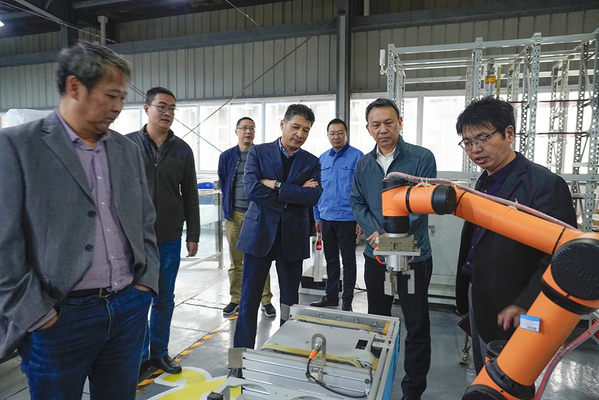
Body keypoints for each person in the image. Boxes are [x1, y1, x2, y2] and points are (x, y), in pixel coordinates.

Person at [0, 41, 159, 399]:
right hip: (59, 318)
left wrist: (145, 285)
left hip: (127, 308)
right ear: (75, 87)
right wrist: (37, 314)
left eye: (122, 98)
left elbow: (145, 221)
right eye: (111, 95)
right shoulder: (17, 147)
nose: (118, 107)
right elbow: (3, 246)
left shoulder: (126, 150)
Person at [454, 96, 576, 373]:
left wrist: (525, 303)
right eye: (468, 142)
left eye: (483, 138)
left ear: (509, 133)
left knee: (510, 379)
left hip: (514, 304)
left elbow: (560, 255)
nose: (475, 149)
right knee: (485, 369)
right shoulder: (484, 181)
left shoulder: (544, 185)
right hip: (480, 293)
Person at [350, 98, 436, 400]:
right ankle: (376, 382)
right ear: (368, 128)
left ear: (400, 122)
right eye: (376, 125)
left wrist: (390, 235)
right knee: (377, 322)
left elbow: (423, 204)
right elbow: (357, 201)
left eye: (388, 122)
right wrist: (376, 234)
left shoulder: (422, 158)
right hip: (376, 256)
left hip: (414, 257)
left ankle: (412, 391)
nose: (383, 129)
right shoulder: (363, 164)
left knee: (416, 325)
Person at [233, 104, 322, 351]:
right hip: (259, 234)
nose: (300, 134)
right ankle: (240, 357)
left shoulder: (312, 161)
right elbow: (252, 190)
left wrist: (277, 185)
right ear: (282, 124)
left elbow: (313, 197)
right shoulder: (258, 152)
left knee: (290, 303)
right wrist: (296, 193)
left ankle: (286, 352)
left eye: (306, 130)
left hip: (293, 237)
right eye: (295, 127)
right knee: (248, 301)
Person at [127, 87, 200, 375]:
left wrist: (193, 234)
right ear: (147, 109)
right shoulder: (127, 144)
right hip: (135, 239)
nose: (167, 113)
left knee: (164, 298)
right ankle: (139, 356)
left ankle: (159, 353)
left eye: (172, 108)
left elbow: (190, 194)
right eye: (162, 107)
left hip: (169, 237)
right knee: (137, 300)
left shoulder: (182, 150)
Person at [218, 117, 276, 318]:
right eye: (244, 128)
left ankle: (265, 300)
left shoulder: (262, 155)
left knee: (261, 259)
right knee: (236, 262)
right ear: (236, 131)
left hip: (257, 216)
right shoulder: (226, 156)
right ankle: (236, 299)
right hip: (233, 215)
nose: (248, 131)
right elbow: (224, 182)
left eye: (252, 128)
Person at [310, 118, 363, 312]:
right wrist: (317, 216)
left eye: (340, 133)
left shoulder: (358, 157)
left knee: (348, 261)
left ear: (346, 134)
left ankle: (347, 300)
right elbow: (317, 189)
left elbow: (363, 190)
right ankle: (331, 296)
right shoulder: (322, 158)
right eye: (332, 133)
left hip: (348, 219)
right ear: (327, 135)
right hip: (326, 218)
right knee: (331, 260)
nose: (336, 136)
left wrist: (360, 219)